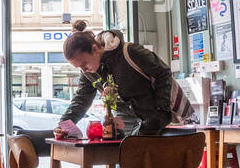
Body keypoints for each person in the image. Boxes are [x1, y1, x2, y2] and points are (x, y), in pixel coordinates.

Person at [55, 20, 194, 138]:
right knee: (125, 165)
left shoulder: (130, 52)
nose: (83, 70)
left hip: (154, 118)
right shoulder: (88, 73)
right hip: (124, 122)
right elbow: (81, 100)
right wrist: (64, 125)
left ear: (95, 49)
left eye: (84, 64)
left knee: (148, 164)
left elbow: (163, 72)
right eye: (79, 67)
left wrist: (160, 110)